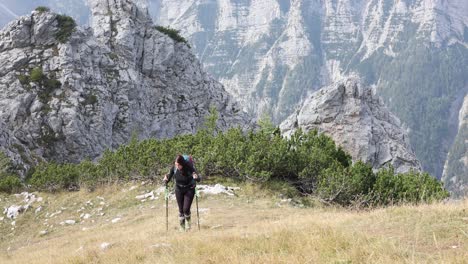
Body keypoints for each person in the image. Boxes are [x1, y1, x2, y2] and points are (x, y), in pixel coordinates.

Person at [163, 154, 200, 231]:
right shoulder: (174, 168)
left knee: (186, 209)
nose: (177, 166)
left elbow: (198, 178)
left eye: (178, 165)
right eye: (176, 164)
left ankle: (188, 226)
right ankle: (182, 228)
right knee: (181, 210)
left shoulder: (189, 168)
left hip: (189, 189)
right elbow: (169, 177)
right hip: (178, 189)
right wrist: (165, 180)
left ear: (182, 164)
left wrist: (196, 178)